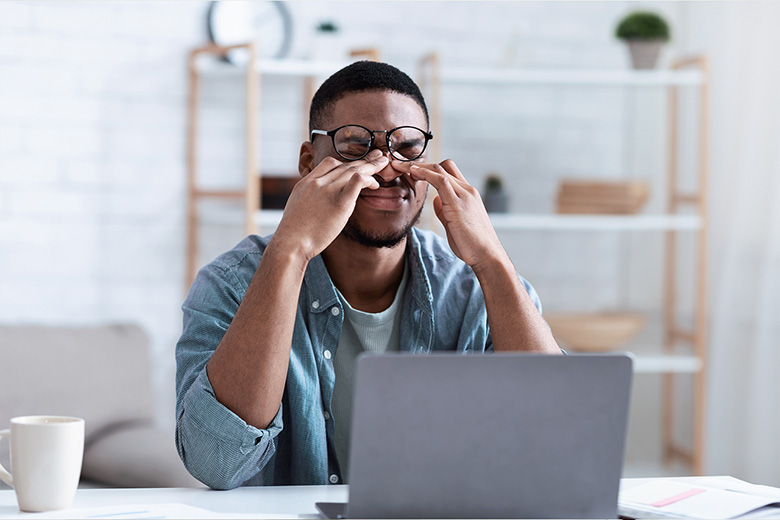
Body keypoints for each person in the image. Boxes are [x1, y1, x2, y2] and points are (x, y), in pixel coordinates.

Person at [175, 61, 562, 490]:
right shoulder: (231, 283)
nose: (385, 167)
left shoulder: (476, 289)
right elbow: (216, 464)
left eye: (408, 147)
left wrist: (492, 260)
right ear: (308, 163)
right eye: (356, 145)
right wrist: (290, 251)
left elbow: (557, 446)